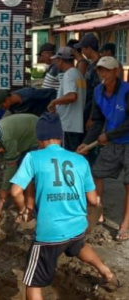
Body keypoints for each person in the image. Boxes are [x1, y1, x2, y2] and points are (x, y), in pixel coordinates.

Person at [10, 112, 120, 300]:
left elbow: (14, 192)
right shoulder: (80, 160)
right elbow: (94, 201)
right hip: (77, 225)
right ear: (61, 138)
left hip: (49, 234)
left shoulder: (33, 158)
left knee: (32, 282)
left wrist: (24, 210)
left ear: (39, 138)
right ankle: (107, 274)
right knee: (77, 245)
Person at [77, 56, 129, 241]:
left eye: (106, 70)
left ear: (116, 72)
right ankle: (98, 212)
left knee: (128, 184)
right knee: (97, 173)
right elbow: (98, 121)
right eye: (100, 70)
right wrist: (87, 142)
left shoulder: (126, 91)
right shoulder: (98, 91)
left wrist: (109, 136)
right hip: (113, 141)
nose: (102, 74)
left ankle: (125, 224)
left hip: (125, 140)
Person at [47, 47, 86, 151]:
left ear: (60, 60)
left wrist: (54, 102)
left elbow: (72, 96)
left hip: (68, 124)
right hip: (77, 124)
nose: (56, 62)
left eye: (56, 60)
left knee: (67, 156)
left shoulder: (69, 74)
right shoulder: (79, 74)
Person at [74, 33, 101, 129]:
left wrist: (91, 117)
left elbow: (97, 93)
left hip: (93, 110)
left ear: (89, 49)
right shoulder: (90, 65)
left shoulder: (99, 66)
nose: (82, 51)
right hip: (86, 106)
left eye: (83, 49)